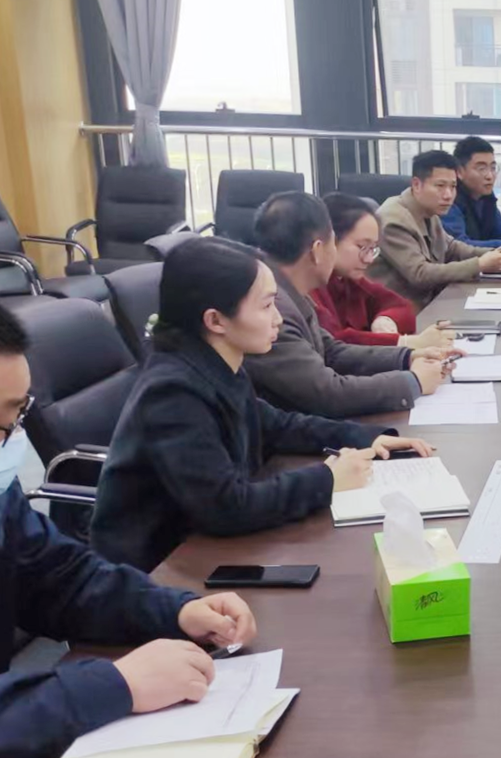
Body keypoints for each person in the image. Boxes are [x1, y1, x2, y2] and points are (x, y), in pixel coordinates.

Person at [0, 287, 260, 758]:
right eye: (3, 423)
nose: (16, 442)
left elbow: (61, 578)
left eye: (22, 414)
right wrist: (112, 686)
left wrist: (174, 610)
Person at [91, 237, 432, 572]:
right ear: (215, 321)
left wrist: (368, 438)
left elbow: (277, 425)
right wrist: (327, 479)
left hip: (205, 548)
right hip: (158, 569)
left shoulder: (216, 362)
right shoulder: (173, 392)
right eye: (267, 306)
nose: (278, 319)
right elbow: (225, 507)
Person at [247, 191, 455, 418]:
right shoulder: (273, 309)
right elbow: (327, 394)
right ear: (317, 250)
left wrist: (407, 357)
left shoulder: (290, 292)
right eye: (333, 243)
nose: (369, 258)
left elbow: (332, 352)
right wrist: (413, 382)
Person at [311, 193, 459, 353]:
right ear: (329, 241)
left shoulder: (349, 279)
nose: (369, 259)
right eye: (362, 247)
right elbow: (334, 342)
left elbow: (402, 306)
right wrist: (404, 342)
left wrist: (387, 319)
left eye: (373, 249)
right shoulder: (311, 285)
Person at [371, 151, 501, 310]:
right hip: (401, 313)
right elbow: (420, 273)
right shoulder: (394, 219)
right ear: (417, 185)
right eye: (440, 186)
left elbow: (452, 248)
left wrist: (493, 253)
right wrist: (479, 264)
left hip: (430, 302)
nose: (448, 195)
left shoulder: (429, 210)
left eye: (453, 186)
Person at [441, 136, 501, 255]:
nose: (490, 176)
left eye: (493, 168)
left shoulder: (486, 196)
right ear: (459, 172)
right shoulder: (448, 199)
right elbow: (461, 245)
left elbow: (500, 231)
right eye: (482, 169)